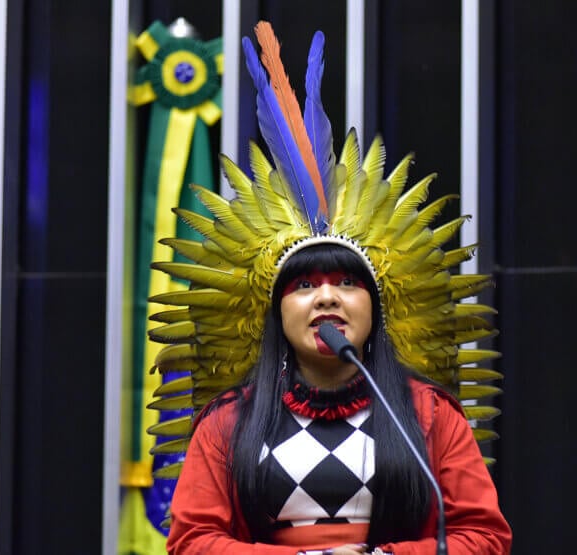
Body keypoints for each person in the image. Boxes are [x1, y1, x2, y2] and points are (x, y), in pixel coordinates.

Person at [147, 21, 512, 555]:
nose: (326, 297)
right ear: (276, 313)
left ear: (376, 307)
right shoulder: (229, 421)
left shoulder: (430, 414)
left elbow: (484, 537)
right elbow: (192, 543)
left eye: (347, 282)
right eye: (303, 285)